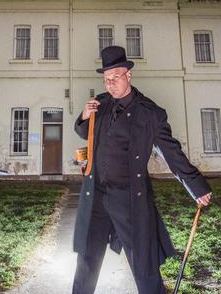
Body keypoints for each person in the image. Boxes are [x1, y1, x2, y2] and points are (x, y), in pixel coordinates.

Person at [72, 46, 212, 294]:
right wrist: (83, 116)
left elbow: (171, 152)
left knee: (143, 262)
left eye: (115, 77)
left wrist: (195, 185)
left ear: (128, 75)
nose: (110, 83)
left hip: (129, 197)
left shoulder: (151, 114)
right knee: (86, 258)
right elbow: (86, 133)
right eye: (106, 79)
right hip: (96, 194)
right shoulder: (100, 104)